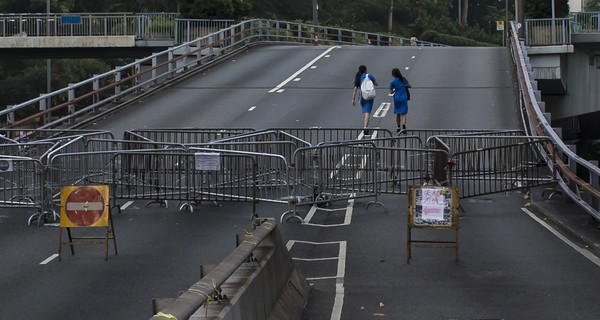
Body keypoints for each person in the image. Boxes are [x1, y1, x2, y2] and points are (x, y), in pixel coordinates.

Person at [352, 65, 378, 135]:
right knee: (367, 112)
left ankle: (365, 124)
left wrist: (353, 99)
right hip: (369, 95)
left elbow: (355, 89)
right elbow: (376, 83)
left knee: (365, 111)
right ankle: (365, 127)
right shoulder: (369, 76)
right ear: (365, 70)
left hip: (362, 96)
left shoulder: (358, 77)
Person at [389, 68, 412, 134]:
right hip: (404, 97)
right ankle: (404, 125)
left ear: (393, 74)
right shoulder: (403, 79)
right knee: (404, 113)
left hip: (397, 98)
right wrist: (405, 86)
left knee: (398, 113)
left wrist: (394, 90)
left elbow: (390, 92)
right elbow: (410, 86)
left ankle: (398, 127)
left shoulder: (392, 81)